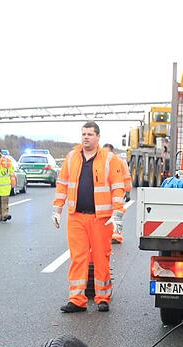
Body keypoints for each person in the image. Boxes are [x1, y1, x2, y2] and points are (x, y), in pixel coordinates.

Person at [53, 122, 127, 313]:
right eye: (83, 134)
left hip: (100, 218)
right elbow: (62, 184)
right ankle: (77, 299)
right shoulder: (71, 158)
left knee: (101, 258)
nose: (86, 137)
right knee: (78, 258)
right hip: (76, 217)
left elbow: (118, 187)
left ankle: (103, 297)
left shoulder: (110, 160)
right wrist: (57, 209)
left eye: (90, 134)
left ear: (98, 137)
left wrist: (117, 212)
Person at [104, 142, 131, 243]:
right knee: (107, 214)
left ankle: (116, 235)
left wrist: (127, 191)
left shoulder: (118, 161)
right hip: (104, 193)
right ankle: (109, 234)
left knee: (117, 212)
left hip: (118, 191)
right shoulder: (100, 161)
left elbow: (126, 177)